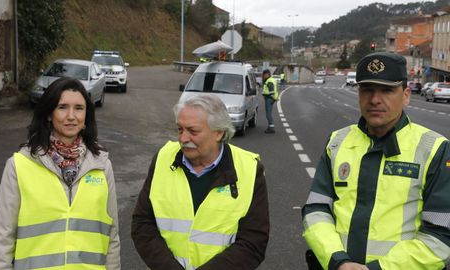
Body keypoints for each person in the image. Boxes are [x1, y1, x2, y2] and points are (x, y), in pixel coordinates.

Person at [302, 52, 450, 270]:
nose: (375, 100)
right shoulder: (337, 141)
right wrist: (338, 261)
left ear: (406, 95)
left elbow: (441, 236)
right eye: (367, 90)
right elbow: (316, 210)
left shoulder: (435, 149)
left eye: (387, 90)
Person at [0, 77, 121, 269]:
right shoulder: (19, 165)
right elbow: (2, 239)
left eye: (78, 108)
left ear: (86, 117)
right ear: (49, 114)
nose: (71, 116)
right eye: (62, 107)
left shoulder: (102, 166)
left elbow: (112, 236)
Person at [132, 94, 269, 270]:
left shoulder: (250, 169)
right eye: (180, 129)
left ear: (219, 132)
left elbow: (254, 242)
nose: (183, 138)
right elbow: (142, 224)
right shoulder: (162, 158)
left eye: (193, 131)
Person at [262, 69, 279, 134]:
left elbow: (271, 91)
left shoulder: (269, 81)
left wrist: (271, 97)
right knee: (269, 113)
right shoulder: (271, 79)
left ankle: (271, 128)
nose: (264, 76)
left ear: (268, 74)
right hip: (271, 98)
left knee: (268, 114)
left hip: (269, 98)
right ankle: (270, 126)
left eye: (265, 74)